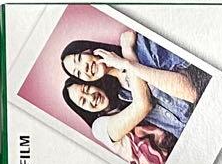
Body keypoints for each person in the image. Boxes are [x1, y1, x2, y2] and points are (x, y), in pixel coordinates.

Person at [60, 28, 209, 137]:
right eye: (78, 73)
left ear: (88, 50)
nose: (84, 68)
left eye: (79, 59)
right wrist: (127, 56)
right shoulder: (123, 97)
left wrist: (128, 62)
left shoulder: (143, 48)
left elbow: (192, 92)